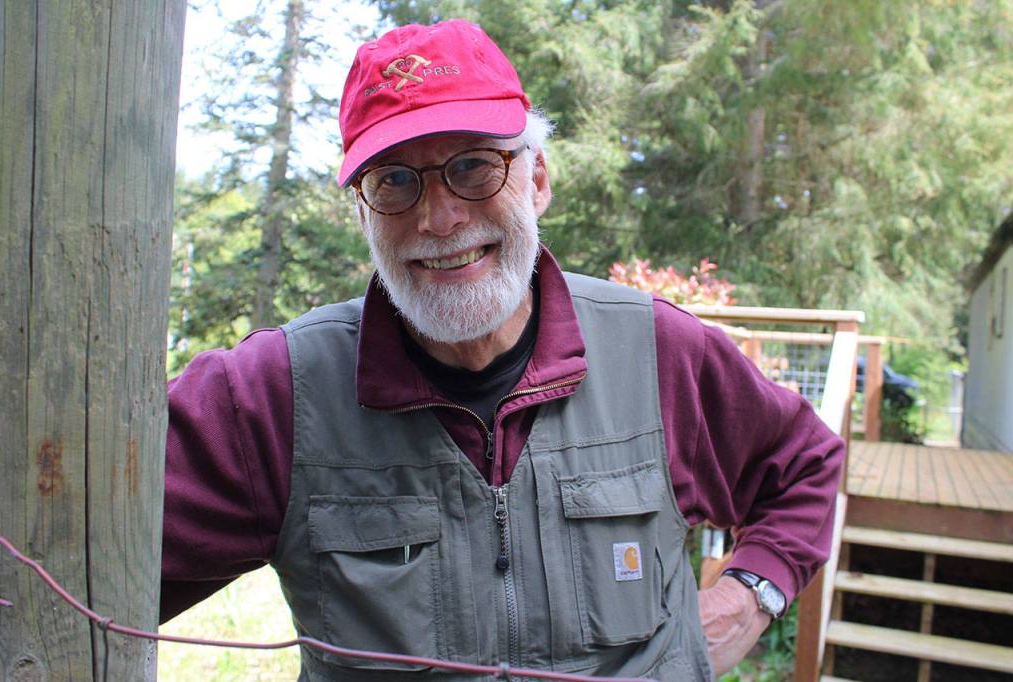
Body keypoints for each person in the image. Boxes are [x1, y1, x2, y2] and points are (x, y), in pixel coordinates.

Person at [161, 19, 844, 681]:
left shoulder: (655, 352)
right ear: (364, 213)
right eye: (395, 181)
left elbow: (805, 464)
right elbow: (82, 561)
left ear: (537, 179)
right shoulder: (271, 396)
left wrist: (747, 598)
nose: (440, 217)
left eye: (474, 166)